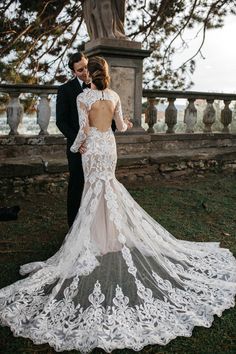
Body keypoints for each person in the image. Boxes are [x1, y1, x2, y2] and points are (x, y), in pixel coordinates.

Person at [0, 56, 236, 353]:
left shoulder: (84, 96)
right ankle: (109, 238)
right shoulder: (113, 96)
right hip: (109, 148)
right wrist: (129, 123)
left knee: (93, 192)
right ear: (107, 75)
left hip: (91, 149)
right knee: (108, 188)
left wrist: (76, 147)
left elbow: (83, 131)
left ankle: (96, 238)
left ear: (91, 74)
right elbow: (121, 127)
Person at [56, 52, 89, 228]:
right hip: (76, 147)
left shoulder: (99, 87)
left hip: (97, 146)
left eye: (86, 66)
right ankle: (74, 228)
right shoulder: (65, 90)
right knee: (77, 185)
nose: (85, 72)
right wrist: (78, 141)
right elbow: (60, 121)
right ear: (74, 72)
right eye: (80, 70)